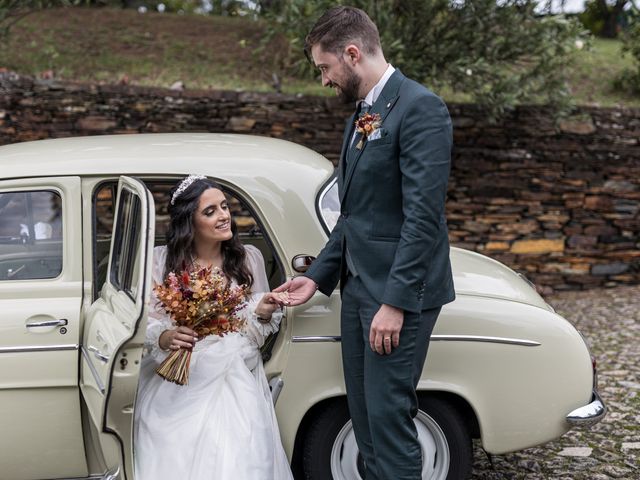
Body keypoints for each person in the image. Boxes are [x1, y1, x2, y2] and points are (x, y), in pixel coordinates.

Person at [275, 6, 455, 480]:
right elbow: (355, 217)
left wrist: (395, 303)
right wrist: (315, 278)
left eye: (325, 67)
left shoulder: (421, 108)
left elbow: (424, 218)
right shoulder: (365, 111)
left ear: (352, 54)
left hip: (397, 297)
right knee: (365, 420)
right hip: (358, 290)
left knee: (389, 418)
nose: (324, 80)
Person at [134, 174, 293, 480]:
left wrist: (260, 312)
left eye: (224, 207)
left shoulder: (248, 259)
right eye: (210, 212)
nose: (223, 216)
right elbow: (147, 322)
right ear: (188, 223)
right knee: (169, 440)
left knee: (239, 446)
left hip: (233, 366)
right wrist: (168, 336)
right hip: (182, 370)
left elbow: (252, 335)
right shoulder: (159, 261)